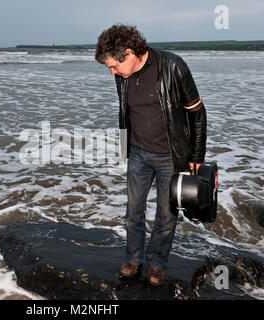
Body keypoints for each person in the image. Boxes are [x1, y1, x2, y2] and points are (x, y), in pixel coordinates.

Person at [95, 24, 207, 286]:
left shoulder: (173, 67)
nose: (112, 72)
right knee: (133, 211)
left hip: (171, 156)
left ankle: (156, 264)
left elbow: (197, 112)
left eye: (114, 66)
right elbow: (128, 112)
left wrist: (197, 154)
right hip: (137, 154)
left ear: (130, 53)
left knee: (166, 217)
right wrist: (125, 147)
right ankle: (133, 259)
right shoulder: (122, 75)